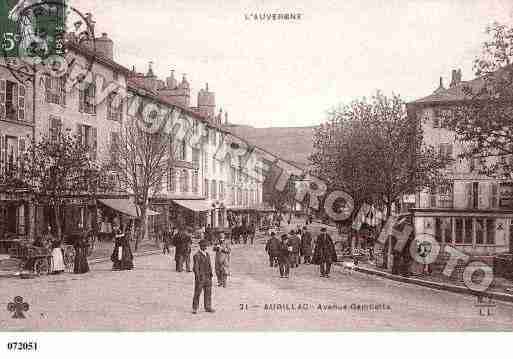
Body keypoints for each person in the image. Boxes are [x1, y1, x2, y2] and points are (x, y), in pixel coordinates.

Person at [192, 239, 215, 314]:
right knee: (197, 292)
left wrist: (211, 274)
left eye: (206, 245)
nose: (205, 247)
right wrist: (198, 277)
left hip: (208, 277)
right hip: (201, 277)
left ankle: (208, 307)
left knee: (208, 292)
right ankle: (195, 308)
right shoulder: (196, 255)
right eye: (203, 245)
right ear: (200, 246)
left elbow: (209, 265)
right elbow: (195, 268)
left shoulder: (207, 254)